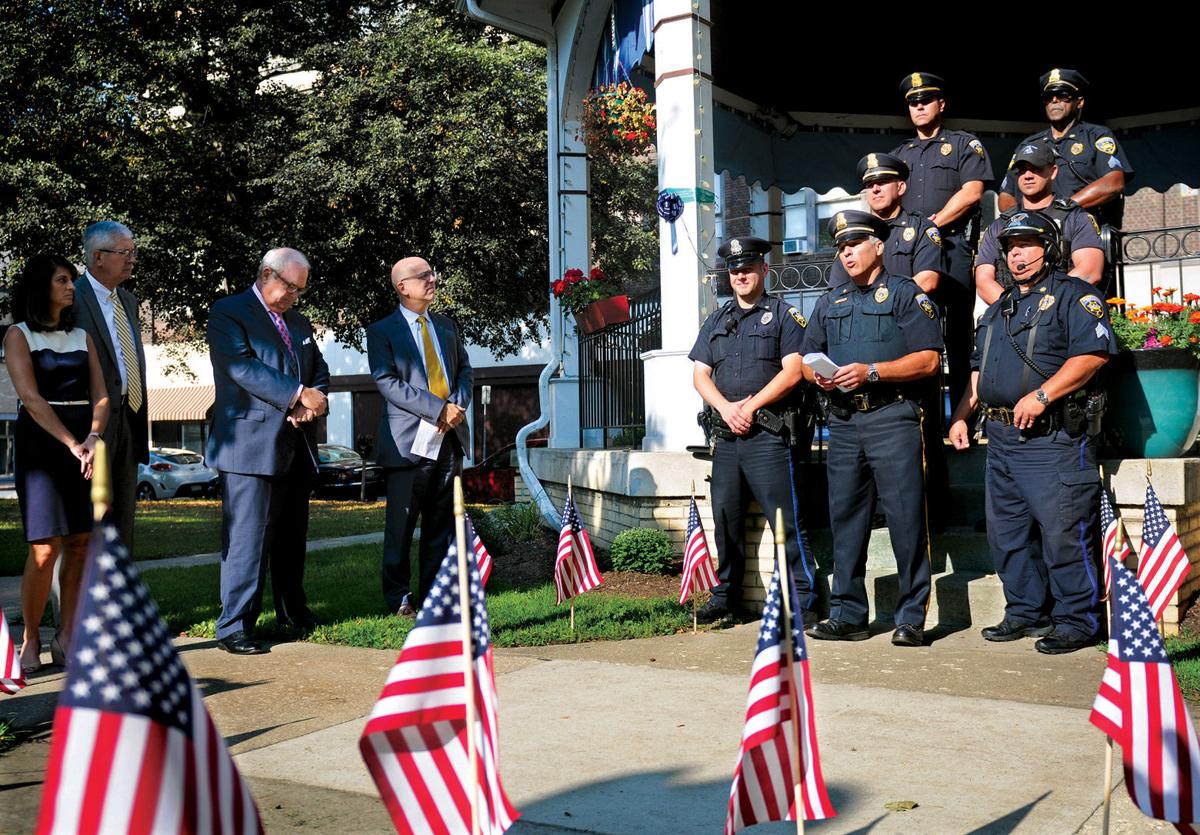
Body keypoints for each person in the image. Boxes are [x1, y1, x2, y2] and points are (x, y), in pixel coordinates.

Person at [948, 211, 1114, 654]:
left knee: (1063, 532)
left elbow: (1092, 356)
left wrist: (1042, 396)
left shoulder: (1075, 297)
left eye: (1026, 245)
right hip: (1001, 440)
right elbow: (980, 371)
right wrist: (962, 414)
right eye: (1010, 247)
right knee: (1007, 535)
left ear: (1050, 249)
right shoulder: (998, 308)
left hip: (1053, 439)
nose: (1016, 254)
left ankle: (1078, 621)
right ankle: (1024, 612)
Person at [803, 212, 944, 647]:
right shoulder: (830, 301)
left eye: (855, 244)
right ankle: (848, 614)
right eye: (841, 247)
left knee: (905, 518)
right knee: (845, 519)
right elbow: (807, 359)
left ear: (879, 246)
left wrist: (873, 372)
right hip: (844, 423)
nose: (846, 253)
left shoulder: (905, 294)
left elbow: (929, 359)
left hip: (892, 418)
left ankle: (910, 617)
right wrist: (819, 376)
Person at [206, 247, 330, 655]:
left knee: (292, 536)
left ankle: (292, 611)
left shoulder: (297, 321)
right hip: (249, 443)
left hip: (296, 443)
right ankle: (234, 625)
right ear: (265, 275)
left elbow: (319, 371)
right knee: (248, 537)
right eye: (290, 288)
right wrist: (295, 396)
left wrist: (311, 401)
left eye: (299, 291)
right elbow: (241, 368)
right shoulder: (229, 311)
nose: (294, 297)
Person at [689, 236, 818, 625]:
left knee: (787, 523)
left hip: (768, 436)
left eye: (747, 268)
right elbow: (700, 374)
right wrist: (727, 408)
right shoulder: (716, 320)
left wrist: (751, 405)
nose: (740, 275)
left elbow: (794, 370)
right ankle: (725, 597)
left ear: (764, 269)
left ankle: (805, 601)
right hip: (727, 437)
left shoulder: (784, 315)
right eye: (734, 269)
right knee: (725, 521)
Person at [831, 152, 950, 523]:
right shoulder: (852, 240)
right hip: (865, 358)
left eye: (881, 183)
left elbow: (928, 281)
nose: (875, 189)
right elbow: (841, 292)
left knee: (925, 437)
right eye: (868, 185)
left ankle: (933, 512)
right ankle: (882, 510)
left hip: (909, 345)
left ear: (901, 186)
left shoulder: (922, 230)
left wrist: (889, 301)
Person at [5, 254, 110, 674]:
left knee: (82, 542)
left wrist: (93, 438)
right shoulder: (18, 335)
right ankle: (30, 637)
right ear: (40, 287)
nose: (71, 287)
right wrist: (71, 442)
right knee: (45, 548)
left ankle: (66, 636)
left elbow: (101, 395)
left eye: (72, 280)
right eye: (63, 280)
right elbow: (30, 398)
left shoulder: (82, 336)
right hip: (43, 445)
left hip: (85, 443)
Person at [367, 257, 472, 617]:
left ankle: (434, 595)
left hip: (449, 438)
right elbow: (387, 382)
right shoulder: (382, 331)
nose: (433, 280)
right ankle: (398, 598)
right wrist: (436, 408)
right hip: (408, 440)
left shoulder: (446, 326)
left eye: (432, 274)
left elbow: (465, 371)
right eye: (423, 276)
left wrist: (455, 407)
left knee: (441, 524)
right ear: (402, 286)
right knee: (401, 524)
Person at [891, 72, 993, 415]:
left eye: (925, 101)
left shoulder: (965, 144)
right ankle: (922, 414)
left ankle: (965, 416)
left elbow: (972, 193)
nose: (919, 107)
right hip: (910, 255)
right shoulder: (898, 155)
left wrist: (930, 225)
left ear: (940, 104)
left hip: (952, 249)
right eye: (913, 103)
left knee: (959, 337)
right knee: (915, 334)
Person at [73, 220, 148, 550]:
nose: (132, 258)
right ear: (98, 257)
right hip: (89, 427)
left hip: (129, 422)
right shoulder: (71, 299)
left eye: (133, 251)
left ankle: (120, 599)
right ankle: (77, 603)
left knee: (122, 525)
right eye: (125, 252)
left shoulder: (129, 302)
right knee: (85, 526)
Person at [998, 68, 1133, 231]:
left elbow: (1114, 182)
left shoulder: (1096, 135)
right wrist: (1022, 220)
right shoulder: (1028, 145)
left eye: (1063, 95)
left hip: (1085, 232)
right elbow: (1006, 194)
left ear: (1079, 101)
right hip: (1038, 236)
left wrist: (1063, 208)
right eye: (1049, 97)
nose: (1055, 101)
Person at [976, 141, 1105, 305]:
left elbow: (1090, 272)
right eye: (1022, 170)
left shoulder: (1074, 217)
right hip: (1011, 316)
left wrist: (1043, 305)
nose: (1027, 175)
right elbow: (983, 280)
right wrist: (1015, 309)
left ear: (1053, 171)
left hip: (1062, 311)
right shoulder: (1001, 224)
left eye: (1036, 169)